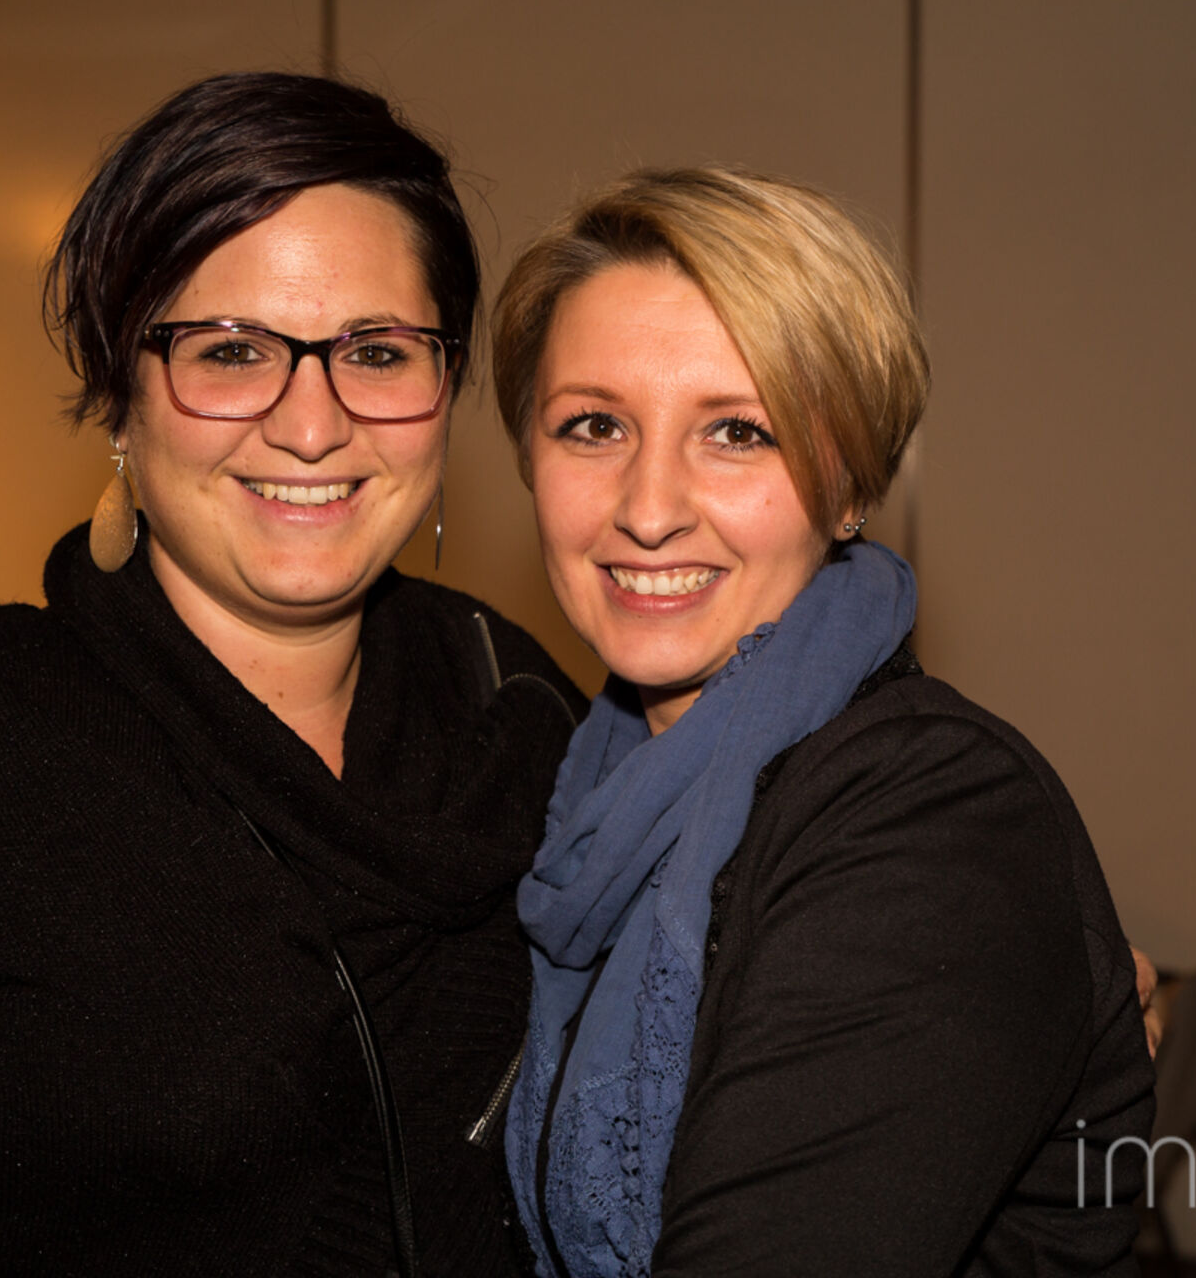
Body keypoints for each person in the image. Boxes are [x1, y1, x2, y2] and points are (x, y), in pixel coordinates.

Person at [0, 72, 582, 1276]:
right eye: (231, 351)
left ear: (443, 389)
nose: (311, 424)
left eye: (377, 351)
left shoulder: (527, 716)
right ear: (119, 396)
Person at [493, 167, 1156, 1276]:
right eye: (594, 425)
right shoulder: (580, 785)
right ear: (529, 459)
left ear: (850, 487)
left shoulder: (930, 820)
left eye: (737, 431)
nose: (648, 509)